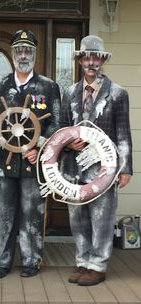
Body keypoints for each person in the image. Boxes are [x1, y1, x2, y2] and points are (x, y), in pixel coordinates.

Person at [0, 29, 62, 278]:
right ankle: (2, 261)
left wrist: (39, 147)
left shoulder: (49, 87)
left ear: (35, 54)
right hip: (1, 164)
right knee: (3, 215)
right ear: (12, 54)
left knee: (33, 215)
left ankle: (31, 261)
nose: (23, 54)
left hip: (34, 164)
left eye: (28, 50)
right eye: (19, 50)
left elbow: (56, 125)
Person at [61, 35, 133, 286]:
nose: (91, 62)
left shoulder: (117, 93)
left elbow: (124, 133)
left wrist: (126, 169)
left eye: (96, 57)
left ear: (102, 61)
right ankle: (83, 262)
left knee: (102, 218)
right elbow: (61, 130)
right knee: (78, 218)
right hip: (73, 169)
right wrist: (68, 143)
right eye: (87, 57)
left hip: (104, 168)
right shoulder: (69, 92)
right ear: (80, 60)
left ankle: (98, 265)